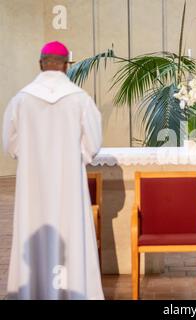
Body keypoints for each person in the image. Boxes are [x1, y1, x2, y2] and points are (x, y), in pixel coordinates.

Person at [2, 41, 104, 299]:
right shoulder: (80, 99)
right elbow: (92, 144)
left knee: (31, 227)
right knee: (72, 233)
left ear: (40, 63)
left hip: (32, 185)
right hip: (69, 185)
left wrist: (33, 157)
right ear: (67, 67)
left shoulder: (21, 99)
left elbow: (10, 144)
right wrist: (71, 157)